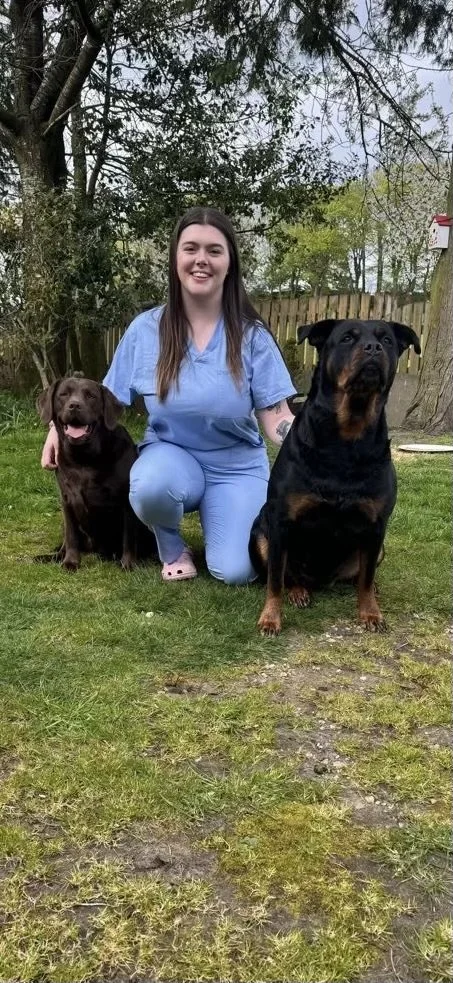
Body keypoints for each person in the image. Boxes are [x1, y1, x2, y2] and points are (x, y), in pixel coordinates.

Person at [41, 206, 296, 584]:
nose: (201, 260)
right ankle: (172, 547)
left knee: (238, 571)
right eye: (190, 248)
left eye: (214, 250)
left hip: (236, 465)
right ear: (176, 258)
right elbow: (105, 398)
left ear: (230, 264)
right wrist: (55, 428)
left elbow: (276, 416)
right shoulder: (145, 330)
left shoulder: (252, 335)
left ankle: (223, 523)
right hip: (170, 457)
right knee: (149, 484)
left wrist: (307, 437)